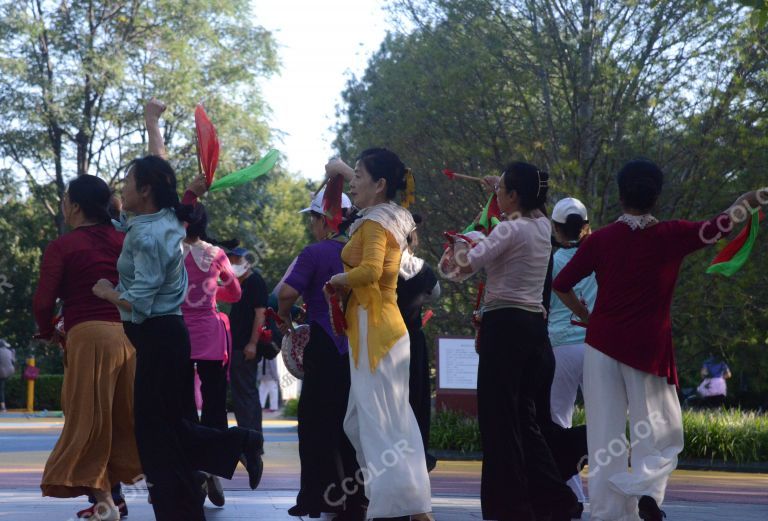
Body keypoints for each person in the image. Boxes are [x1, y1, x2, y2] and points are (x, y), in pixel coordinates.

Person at [553, 158, 768, 521]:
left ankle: (609, 512)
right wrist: (757, 196)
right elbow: (725, 223)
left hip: (601, 345)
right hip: (647, 348)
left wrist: (587, 315)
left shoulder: (601, 240)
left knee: (605, 435)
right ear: (657, 196)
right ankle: (648, 492)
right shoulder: (673, 235)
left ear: (620, 196)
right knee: (660, 428)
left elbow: (561, 284)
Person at [91, 98, 263, 521]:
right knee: (174, 425)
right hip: (168, 338)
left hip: (158, 337)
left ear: (144, 190)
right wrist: (152, 122)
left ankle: (224, 457)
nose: (123, 188)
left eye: (128, 182)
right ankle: (215, 470)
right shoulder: (164, 215)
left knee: (155, 433)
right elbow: (160, 165)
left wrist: (107, 292)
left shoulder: (151, 236)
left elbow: (141, 302)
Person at [453, 162, 579, 521]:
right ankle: (554, 498)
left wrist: (459, 246)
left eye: (503, 189)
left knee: (499, 421)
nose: (497, 193)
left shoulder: (510, 231)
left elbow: (466, 265)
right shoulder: (541, 227)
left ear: (515, 195)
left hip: (505, 328)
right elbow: (526, 207)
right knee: (525, 421)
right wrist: (499, 189)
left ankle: (511, 505)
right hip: (534, 332)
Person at [326, 149, 433, 521]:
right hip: (378, 328)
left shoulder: (375, 223)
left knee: (376, 421)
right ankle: (407, 503)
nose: (352, 183)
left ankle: (393, 505)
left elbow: (370, 271)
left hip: (376, 328)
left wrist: (339, 279)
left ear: (380, 184)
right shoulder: (386, 218)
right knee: (374, 419)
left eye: (358, 176)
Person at [33, 174, 142, 521]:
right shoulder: (123, 240)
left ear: (76, 206)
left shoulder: (63, 246)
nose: (64, 205)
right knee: (122, 421)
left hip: (89, 338)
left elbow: (43, 301)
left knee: (88, 421)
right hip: (130, 336)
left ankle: (106, 503)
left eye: (66, 199)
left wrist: (48, 329)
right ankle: (115, 498)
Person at [277, 188, 366, 520]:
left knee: (315, 425)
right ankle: (355, 498)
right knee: (351, 423)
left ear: (325, 221)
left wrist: (285, 318)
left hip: (324, 346)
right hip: (357, 348)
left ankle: (317, 499)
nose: (311, 226)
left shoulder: (314, 253)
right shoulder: (360, 251)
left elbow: (285, 292)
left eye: (313, 218)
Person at [181, 203, 242, 507]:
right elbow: (235, 293)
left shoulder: (170, 251)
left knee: (181, 403)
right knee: (215, 404)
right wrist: (212, 291)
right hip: (210, 335)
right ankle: (213, 468)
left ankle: (189, 466)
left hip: (178, 335)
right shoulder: (215, 253)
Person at [546, 197, 597, 511]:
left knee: (557, 422)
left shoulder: (549, 261)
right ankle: (609, 499)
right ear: (587, 226)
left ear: (554, 229)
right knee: (604, 422)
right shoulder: (601, 257)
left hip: (559, 346)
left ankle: (572, 496)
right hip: (597, 346)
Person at [396, 215, 440, 472]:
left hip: (387, 340)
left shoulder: (382, 264)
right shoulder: (421, 267)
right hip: (413, 339)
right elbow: (435, 294)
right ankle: (417, 452)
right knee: (415, 398)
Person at [227, 245, 270, 432]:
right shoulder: (240, 285)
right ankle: (248, 437)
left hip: (245, 347)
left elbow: (260, 314)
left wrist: (252, 343)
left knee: (245, 394)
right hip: (238, 346)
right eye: (232, 260)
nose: (233, 263)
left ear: (247, 263)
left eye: (237, 260)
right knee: (241, 393)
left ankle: (251, 439)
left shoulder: (255, 282)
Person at [0, 339, 15, 413]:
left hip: (2, 373)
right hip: (10, 372)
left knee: (1, 390)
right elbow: (13, 361)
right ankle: (3, 407)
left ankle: (3, 407)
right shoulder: (9, 351)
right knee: (2, 388)